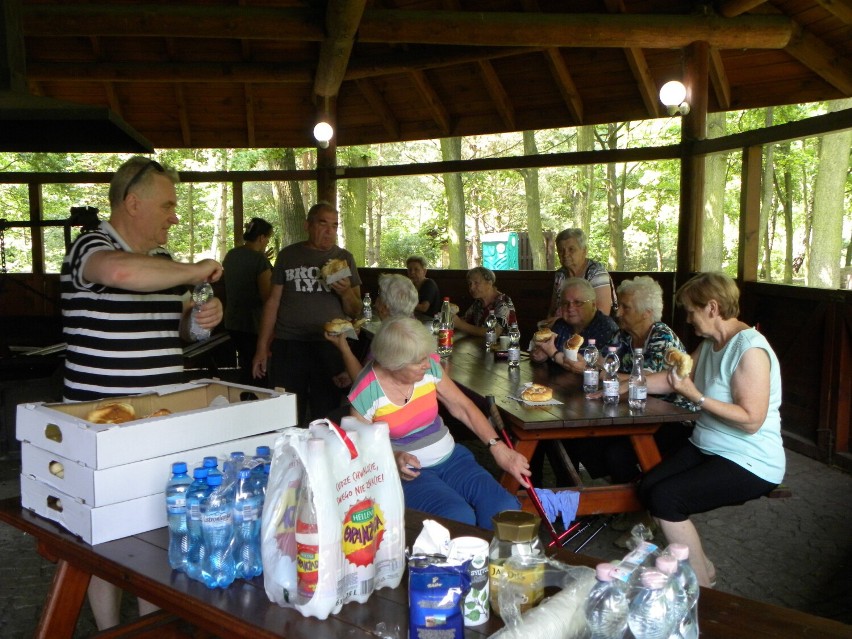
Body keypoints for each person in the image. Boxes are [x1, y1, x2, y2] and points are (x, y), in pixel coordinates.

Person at [60, 156, 224, 629]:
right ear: (133, 203)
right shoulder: (89, 247)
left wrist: (198, 321)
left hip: (159, 421)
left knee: (159, 526)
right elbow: (123, 274)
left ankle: (154, 626)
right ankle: (112, 630)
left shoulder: (163, 263)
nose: (175, 215)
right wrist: (195, 272)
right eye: (168, 204)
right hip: (100, 423)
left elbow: (177, 330)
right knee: (102, 534)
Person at [638, 272, 785, 587]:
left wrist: (697, 397)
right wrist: (621, 385)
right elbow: (671, 379)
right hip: (708, 445)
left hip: (750, 459)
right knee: (648, 487)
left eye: (692, 310)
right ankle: (703, 564)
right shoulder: (709, 344)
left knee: (667, 498)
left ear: (713, 308)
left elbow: (751, 418)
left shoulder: (750, 350)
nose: (688, 318)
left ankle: (703, 590)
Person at [347, 317, 530, 529]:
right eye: (419, 361)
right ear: (393, 364)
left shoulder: (429, 367)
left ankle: (494, 560)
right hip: (410, 473)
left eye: (427, 356)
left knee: (503, 508)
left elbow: (463, 407)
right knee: (457, 516)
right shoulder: (367, 390)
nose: (428, 363)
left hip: (452, 458)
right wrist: (394, 458)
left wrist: (497, 447)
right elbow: (356, 447)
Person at [253, 202, 361, 425]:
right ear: (308, 226)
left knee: (327, 410)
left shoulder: (344, 259)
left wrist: (345, 292)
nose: (329, 231)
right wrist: (262, 347)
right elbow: (273, 302)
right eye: (323, 224)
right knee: (288, 411)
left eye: (334, 225)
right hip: (289, 344)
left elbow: (355, 310)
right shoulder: (288, 256)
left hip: (330, 345)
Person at [326, 272, 419, 383]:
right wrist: (350, 374)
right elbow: (371, 371)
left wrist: (344, 349)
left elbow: (365, 385)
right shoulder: (413, 325)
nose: (375, 301)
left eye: (379, 294)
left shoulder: (394, 337)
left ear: (385, 307)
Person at [223, 217, 273, 385]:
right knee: (257, 368)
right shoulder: (260, 261)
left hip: (232, 321)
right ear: (261, 238)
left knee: (246, 362)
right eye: (267, 238)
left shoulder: (231, 255)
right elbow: (268, 297)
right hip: (253, 324)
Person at [531, 277, 617, 369]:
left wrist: (553, 353)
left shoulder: (607, 329)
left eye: (578, 302)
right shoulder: (560, 325)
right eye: (565, 303)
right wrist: (540, 355)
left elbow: (587, 367)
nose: (570, 308)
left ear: (593, 305)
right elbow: (543, 353)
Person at [547, 228, 617, 317]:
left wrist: (561, 323)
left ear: (584, 251)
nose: (565, 254)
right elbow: (553, 308)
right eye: (561, 250)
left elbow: (602, 315)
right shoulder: (560, 275)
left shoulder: (597, 273)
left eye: (571, 249)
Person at [451, 266, 516, 338]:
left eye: (476, 283)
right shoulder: (478, 303)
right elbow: (464, 320)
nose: (471, 288)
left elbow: (493, 333)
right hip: (480, 344)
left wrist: (460, 325)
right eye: (470, 283)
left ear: (489, 283)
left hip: (501, 347)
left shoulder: (503, 302)